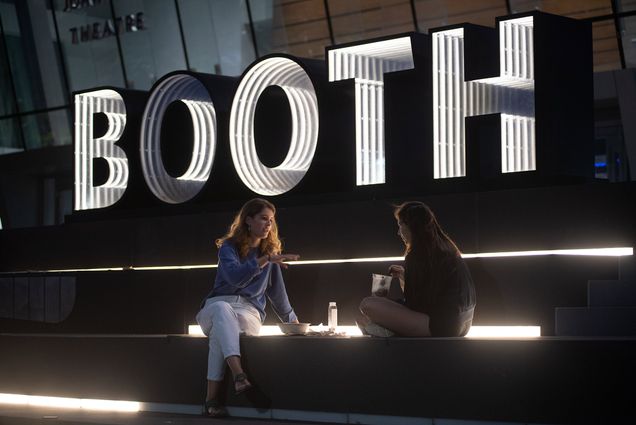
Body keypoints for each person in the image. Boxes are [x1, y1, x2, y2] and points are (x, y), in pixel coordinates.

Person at [196, 198, 300, 417]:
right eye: (263, 218)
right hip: (215, 307)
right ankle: (239, 374)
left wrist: (293, 321)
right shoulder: (228, 248)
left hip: (247, 313)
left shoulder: (270, 255)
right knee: (222, 312)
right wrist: (264, 261)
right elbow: (235, 278)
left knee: (221, 328)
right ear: (248, 220)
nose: (268, 225)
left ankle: (212, 400)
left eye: (271, 220)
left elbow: (278, 295)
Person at [357, 201, 476, 337]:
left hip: (440, 326)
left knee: (367, 304)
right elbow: (430, 295)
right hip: (464, 323)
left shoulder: (418, 254)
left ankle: (389, 331)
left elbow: (415, 305)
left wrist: (393, 300)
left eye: (400, 225)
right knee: (378, 310)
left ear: (411, 226)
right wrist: (405, 277)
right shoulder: (447, 248)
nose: (398, 232)